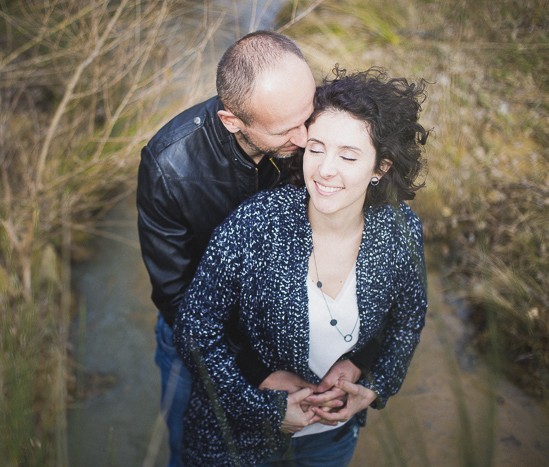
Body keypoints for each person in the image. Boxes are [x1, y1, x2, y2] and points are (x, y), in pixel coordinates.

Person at [173, 65, 430, 466]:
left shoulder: (400, 229)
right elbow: (194, 328)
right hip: (237, 442)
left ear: (381, 168)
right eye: (316, 148)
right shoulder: (258, 222)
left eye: (348, 155)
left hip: (331, 441)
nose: (325, 169)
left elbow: (408, 316)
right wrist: (266, 410)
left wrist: (375, 382)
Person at [137, 32, 369, 466]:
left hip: (290, 334)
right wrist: (254, 372)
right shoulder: (169, 166)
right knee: (191, 450)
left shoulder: (311, 128)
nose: (306, 140)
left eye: (309, 113)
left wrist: (360, 359)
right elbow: (174, 295)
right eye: (286, 130)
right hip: (197, 341)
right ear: (232, 121)